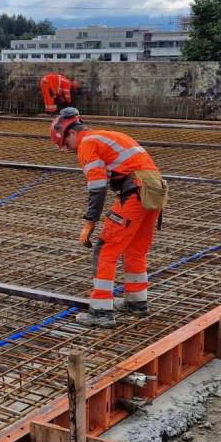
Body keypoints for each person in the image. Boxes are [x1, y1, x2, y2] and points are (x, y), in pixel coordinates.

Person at [50, 107, 167, 328]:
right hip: (154, 194)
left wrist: (89, 222)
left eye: (66, 143)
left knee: (105, 249)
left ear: (72, 132)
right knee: (135, 249)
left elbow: (97, 187)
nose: (69, 149)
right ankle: (137, 302)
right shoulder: (108, 136)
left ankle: (101, 312)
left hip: (135, 193)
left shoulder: (87, 144)